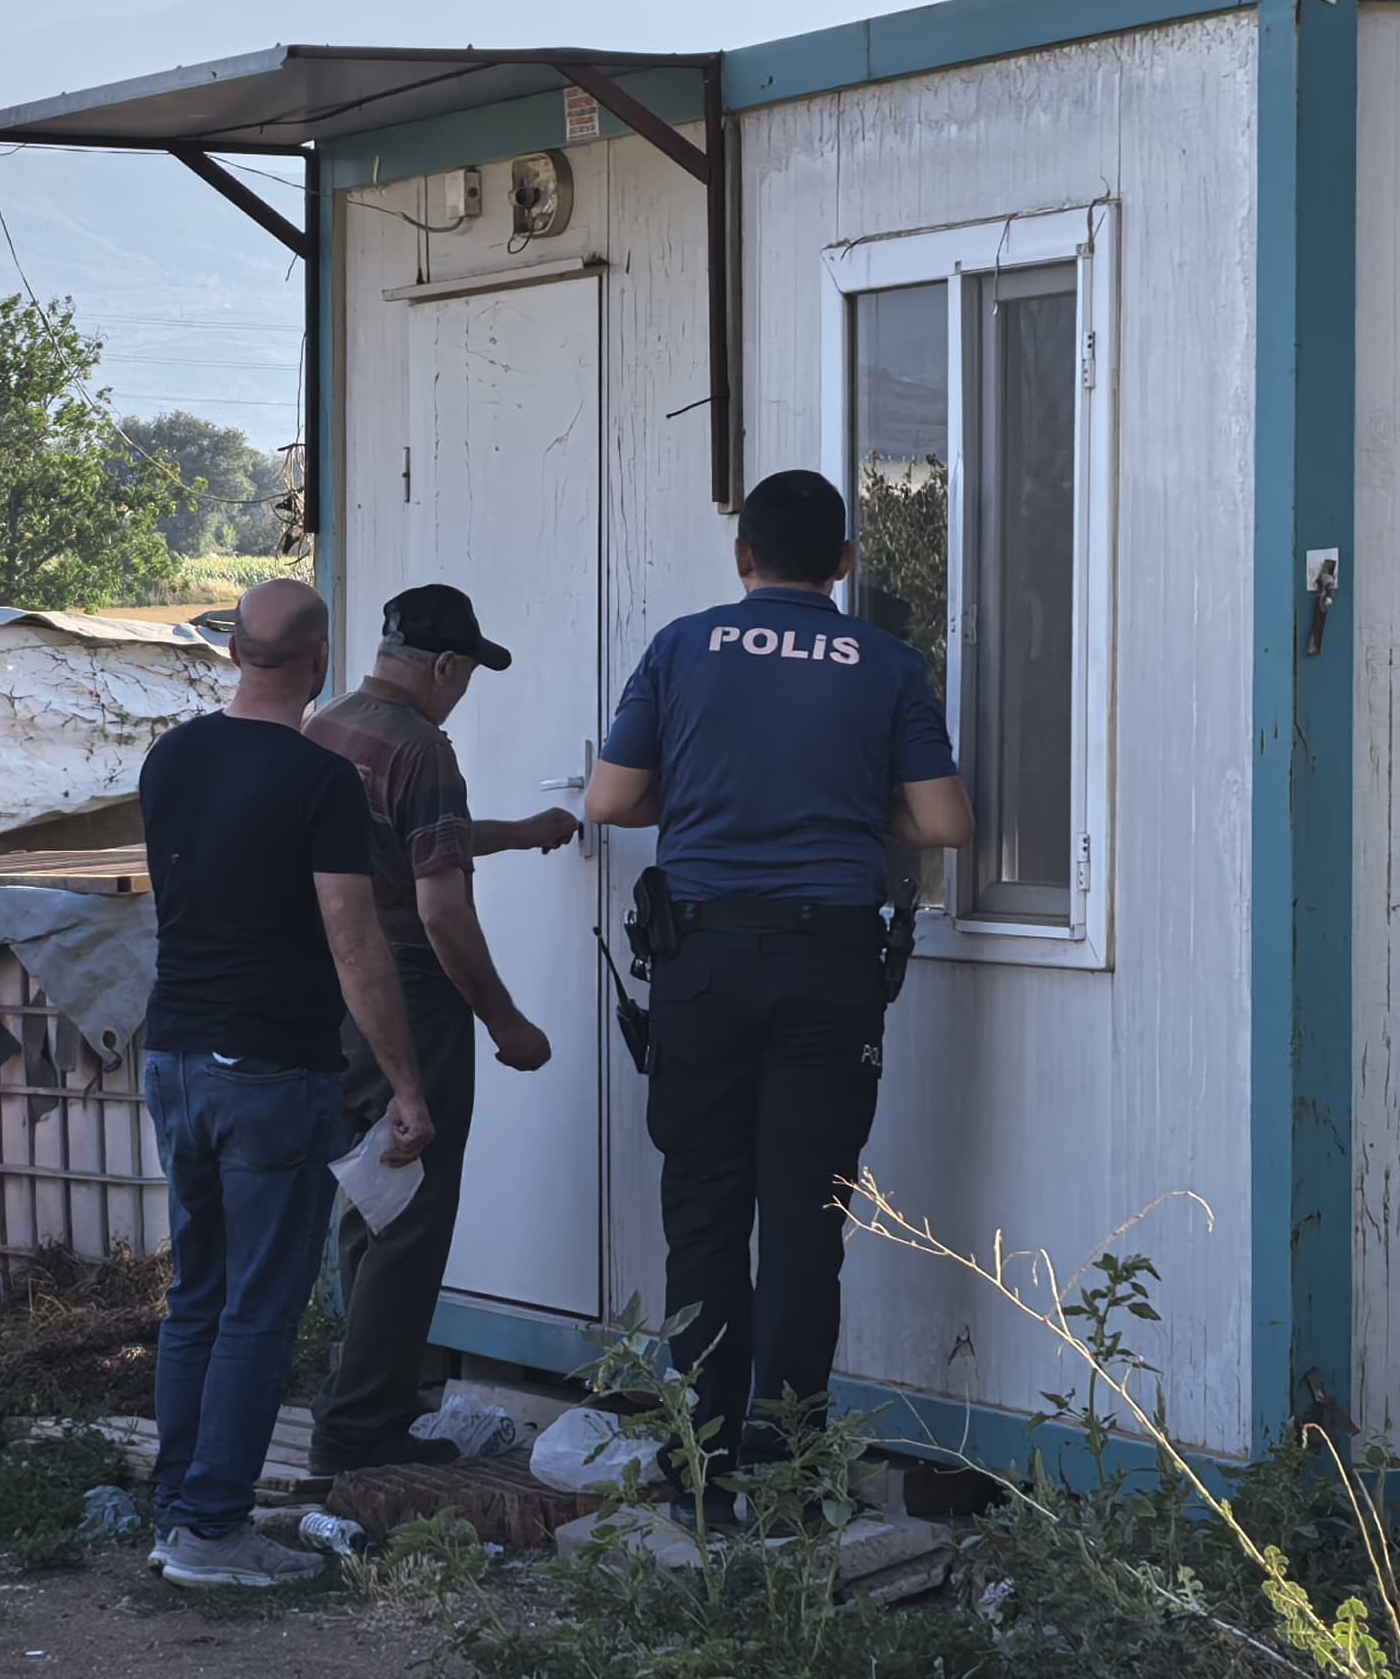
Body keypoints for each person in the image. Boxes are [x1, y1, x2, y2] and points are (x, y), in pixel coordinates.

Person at [585, 468, 973, 1456]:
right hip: (828, 962)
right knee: (807, 1214)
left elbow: (611, 801)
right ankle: (791, 1454)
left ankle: (701, 1450)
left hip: (702, 958)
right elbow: (943, 822)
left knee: (704, 1206)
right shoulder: (885, 662)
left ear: (742, 557)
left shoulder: (681, 648)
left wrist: (720, 798)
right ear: (843, 563)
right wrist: (841, 804)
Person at [133, 578, 436, 1587]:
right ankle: (214, 1530)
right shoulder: (320, 781)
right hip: (270, 1069)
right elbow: (355, 943)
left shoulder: (170, 758)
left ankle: (178, 1511)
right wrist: (405, 1082)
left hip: (174, 1055)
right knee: (260, 1307)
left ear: (230, 653)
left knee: (198, 1297)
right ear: (317, 662)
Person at [300, 582, 580, 1473]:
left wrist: (525, 830)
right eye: (466, 677)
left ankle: (362, 1391)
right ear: (447, 665)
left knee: (370, 1199)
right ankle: (366, 1426)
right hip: (410, 1004)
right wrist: (507, 1022)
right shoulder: (422, 748)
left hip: (334, 998)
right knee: (412, 1213)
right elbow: (442, 914)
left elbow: (412, 840)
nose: (463, 694)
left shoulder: (332, 725)